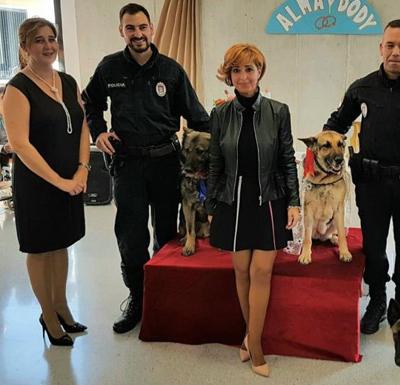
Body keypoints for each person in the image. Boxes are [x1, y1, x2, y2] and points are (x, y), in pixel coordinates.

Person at [82, 3, 210, 334]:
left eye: (142, 27)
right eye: (130, 28)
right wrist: (98, 131)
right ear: (121, 31)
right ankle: (137, 299)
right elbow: (91, 103)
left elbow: (197, 117)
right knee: (131, 236)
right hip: (127, 165)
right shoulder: (109, 68)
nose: (137, 34)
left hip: (167, 162)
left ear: (151, 29)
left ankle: (165, 297)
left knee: (167, 233)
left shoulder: (171, 70)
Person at [324, 19, 400, 334]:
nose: (396, 52)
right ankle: (378, 301)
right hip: (371, 182)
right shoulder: (360, 88)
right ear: (381, 48)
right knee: (375, 246)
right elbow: (337, 123)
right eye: (390, 45)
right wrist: (320, 152)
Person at [206, 43, 300, 377]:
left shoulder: (278, 111)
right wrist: (212, 205)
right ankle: (248, 335)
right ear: (229, 75)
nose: (243, 76)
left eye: (250, 69)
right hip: (233, 197)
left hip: (268, 198)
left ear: (260, 71)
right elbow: (215, 161)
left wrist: (294, 202)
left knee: (261, 271)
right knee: (241, 270)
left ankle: (255, 344)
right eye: (236, 70)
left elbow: (287, 159)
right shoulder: (219, 115)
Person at [2, 17, 91, 346]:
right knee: (41, 250)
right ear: (25, 47)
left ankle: (62, 307)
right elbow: (21, 144)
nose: (48, 45)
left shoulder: (67, 81)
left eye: (51, 38)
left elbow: (82, 126)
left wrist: (83, 168)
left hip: (70, 178)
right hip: (38, 183)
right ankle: (48, 316)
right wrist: (59, 181)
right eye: (39, 40)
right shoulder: (17, 89)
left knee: (61, 245)